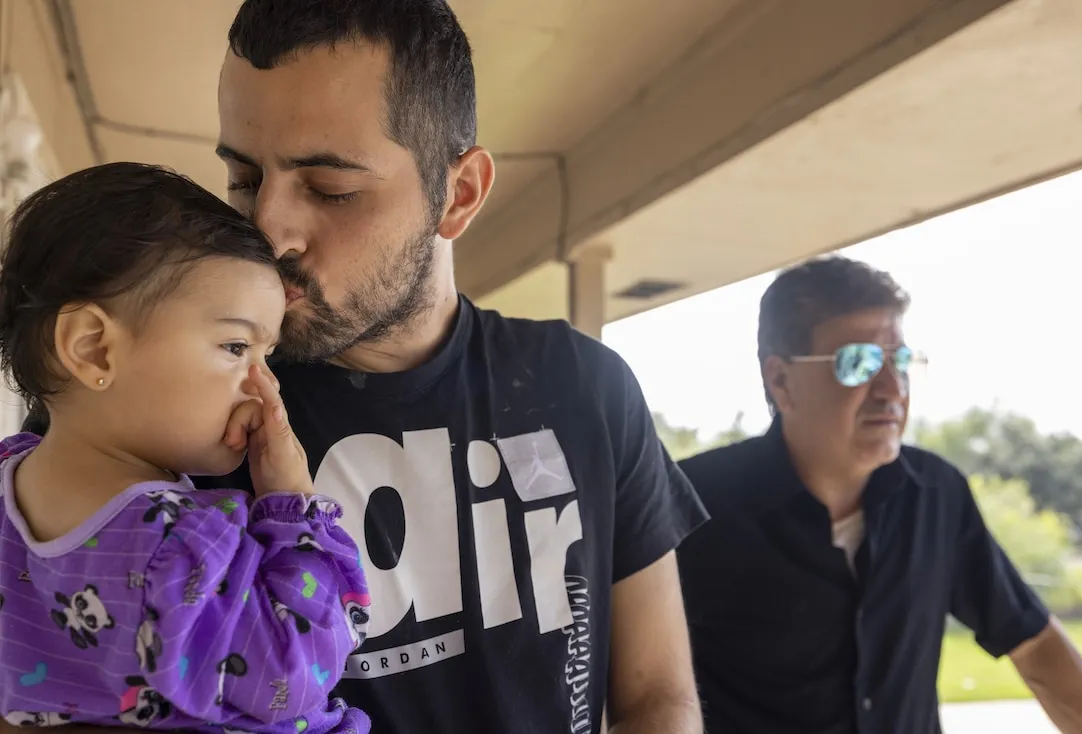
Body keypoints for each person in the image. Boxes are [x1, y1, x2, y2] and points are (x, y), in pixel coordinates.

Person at [11, 1, 709, 732]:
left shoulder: (585, 386)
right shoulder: (156, 403)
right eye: (245, 180)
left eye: (330, 189)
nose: (269, 231)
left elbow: (657, 695)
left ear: (459, 194)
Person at [0, 163, 371, 733]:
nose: (263, 386)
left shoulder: (9, 475)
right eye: (235, 346)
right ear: (94, 350)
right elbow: (296, 673)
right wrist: (293, 509)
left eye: (265, 357)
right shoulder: (173, 545)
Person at [676, 255, 1082, 734]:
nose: (891, 388)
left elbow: (1036, 646)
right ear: (781, 381)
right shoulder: (693, 508)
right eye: (859, 363)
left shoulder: (936, 496)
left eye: (899, 360)